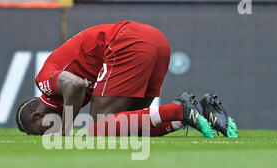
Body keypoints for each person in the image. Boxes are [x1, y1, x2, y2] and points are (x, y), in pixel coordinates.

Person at [16, 21, 237, 137]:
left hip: (128, 41)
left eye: (44, 130)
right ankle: (198, 111)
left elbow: (73, 85)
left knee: (97, 127)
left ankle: (179, 110)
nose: (50, 132)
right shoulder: (63, 99)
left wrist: (65, 129)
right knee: (130, 125)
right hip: (155, 41)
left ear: (37, 115)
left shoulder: (43, 81)